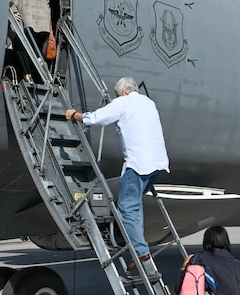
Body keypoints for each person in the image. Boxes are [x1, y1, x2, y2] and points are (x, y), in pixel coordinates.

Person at [65, 77, 169, 266]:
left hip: (138, 164)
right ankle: (139, 246)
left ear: (122, 92)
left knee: (127, 206)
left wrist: (74, 115)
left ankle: (140, 250)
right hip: (158, 164)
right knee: (134, 204)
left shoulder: (123, 102)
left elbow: (96, 119)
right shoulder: (148, 102)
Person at [8, 0, 53, 77]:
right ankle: (41, 66)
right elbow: (47, 4)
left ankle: (27, 75)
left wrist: (13, 12)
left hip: (28, 20)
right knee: (36, 49)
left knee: (19, 44)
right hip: (43, 23)